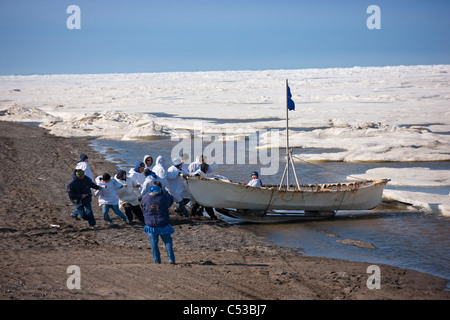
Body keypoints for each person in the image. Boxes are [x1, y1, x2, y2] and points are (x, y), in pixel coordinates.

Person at [141, 184, 175, 264]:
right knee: (167, 241)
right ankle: (171, 259)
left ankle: (156, 260)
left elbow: (142, 204)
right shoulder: (163, 198)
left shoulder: (145, 198)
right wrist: (165, 192)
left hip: (151, 224)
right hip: (163, 223)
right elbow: (171, 200)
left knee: (154, 243)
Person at [70, 153, 94, 219]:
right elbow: (87, 176)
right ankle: (77, 214)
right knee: (86, 201)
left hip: (79, 185)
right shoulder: (85, 165)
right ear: (85, 159)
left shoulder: (78, 165)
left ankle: (75, 213)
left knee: (81, 201)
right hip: (85, 185)